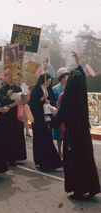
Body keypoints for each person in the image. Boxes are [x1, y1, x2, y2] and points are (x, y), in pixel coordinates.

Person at [50, 51, 100, 200]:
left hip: (72, 135)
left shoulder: (67, 98)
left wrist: (51, 121)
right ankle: (92, 188)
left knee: (74, 163)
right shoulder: (82, 95)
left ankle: (78, 191)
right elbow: (82, 79)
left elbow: (60, 116)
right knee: (87, 160)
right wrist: (79, 64)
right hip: (84, 133)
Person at [28, 73, 62, 172]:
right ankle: (42, 162)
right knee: (40, 139)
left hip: (47, 118)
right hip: (38, 118)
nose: (49, 83)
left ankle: (51, 162)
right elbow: (32, 105)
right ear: (43, 80)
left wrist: (49, 102)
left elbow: (54, 101)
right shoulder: (36, 89)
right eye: (48, 81)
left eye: (50, 82)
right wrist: (41, 99)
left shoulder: (49, 89)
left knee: (48, 139)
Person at [0, 75, 27, 165]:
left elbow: (23, 102)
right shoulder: (1, 89)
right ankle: (9, 157)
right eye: (10, 79)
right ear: (5, 79)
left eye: (14, 78)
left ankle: (18, 155)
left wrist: (23, 98)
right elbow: (0, 103)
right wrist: (7, 96)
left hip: (17, 114)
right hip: (7, 117)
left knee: (17, 134)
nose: (13, 80)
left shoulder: (18, 88)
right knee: (8, 136)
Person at [52, 68, 69, 159]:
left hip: (68, 115)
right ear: (60, 78)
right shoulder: (55, 89)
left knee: (67, 133)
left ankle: (67, 150)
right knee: (59, 133)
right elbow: (53, 100)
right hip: (59, 112)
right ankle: (59, 151)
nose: (66, 79)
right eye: (64, 77)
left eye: (67, 77)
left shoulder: (70, 87)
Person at [16, 73, 31, 137]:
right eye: (17, 78)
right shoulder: (14, 86)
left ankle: (27, 132)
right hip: (17, 103)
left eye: (20, 77)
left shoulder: (25, 86)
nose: (19, 79)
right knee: (19, 118)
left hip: (23, 103)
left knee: (25, 118)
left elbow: (28, 94)